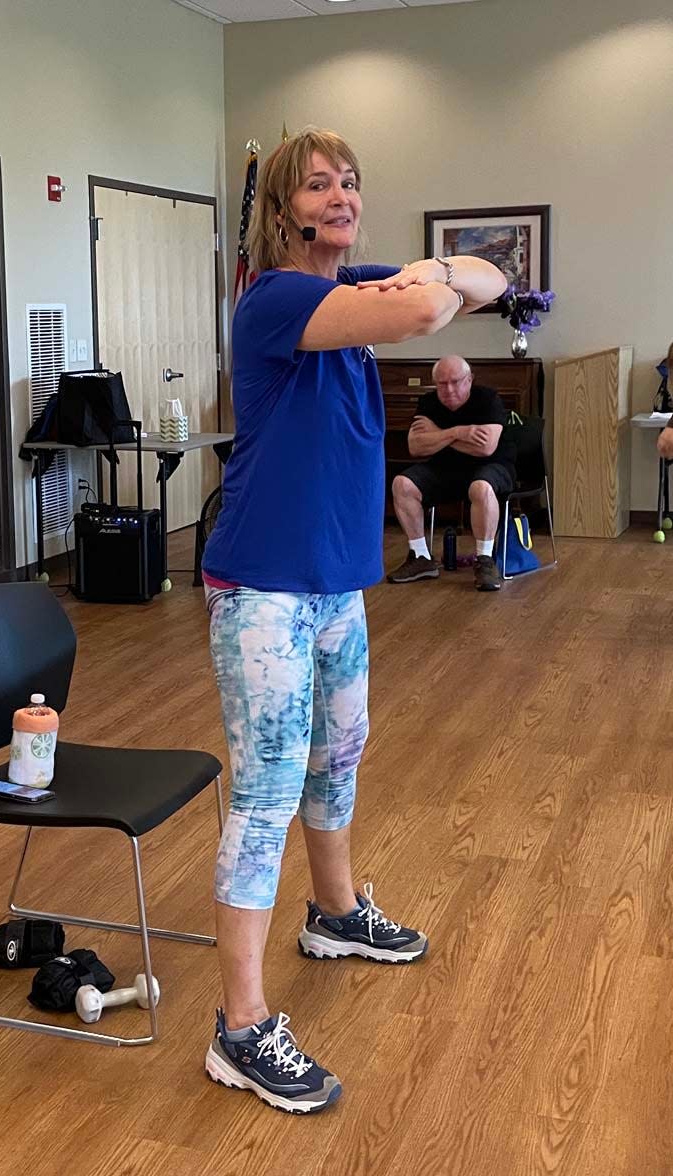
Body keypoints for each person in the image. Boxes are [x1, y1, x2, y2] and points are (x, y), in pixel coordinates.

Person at [201, 128, 506, 1114]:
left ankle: (334, 914)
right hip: (262, 587)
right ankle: (239, 1028)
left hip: (334, 583)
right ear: (285, 208)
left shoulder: (352, 287)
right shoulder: (278, 298)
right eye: (318, 186)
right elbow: (430, 301)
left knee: (340, 755)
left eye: (350, 184)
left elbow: (485, 281)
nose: (339, 197)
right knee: (268, 787)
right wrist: (430, 282)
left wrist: (441, 275)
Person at [387, 356, 516, 592]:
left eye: (456, 382)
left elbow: (485, 448)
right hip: (444, 469)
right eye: (442, 384)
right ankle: (421, 557)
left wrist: (438, 435)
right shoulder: (428, 403)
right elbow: (415, 447)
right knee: (402, 483)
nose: (449, 389)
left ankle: (485, 560)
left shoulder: (487, 399)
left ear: (469, 380)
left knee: (481, 487)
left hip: (491, 466)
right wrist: (460, 432)